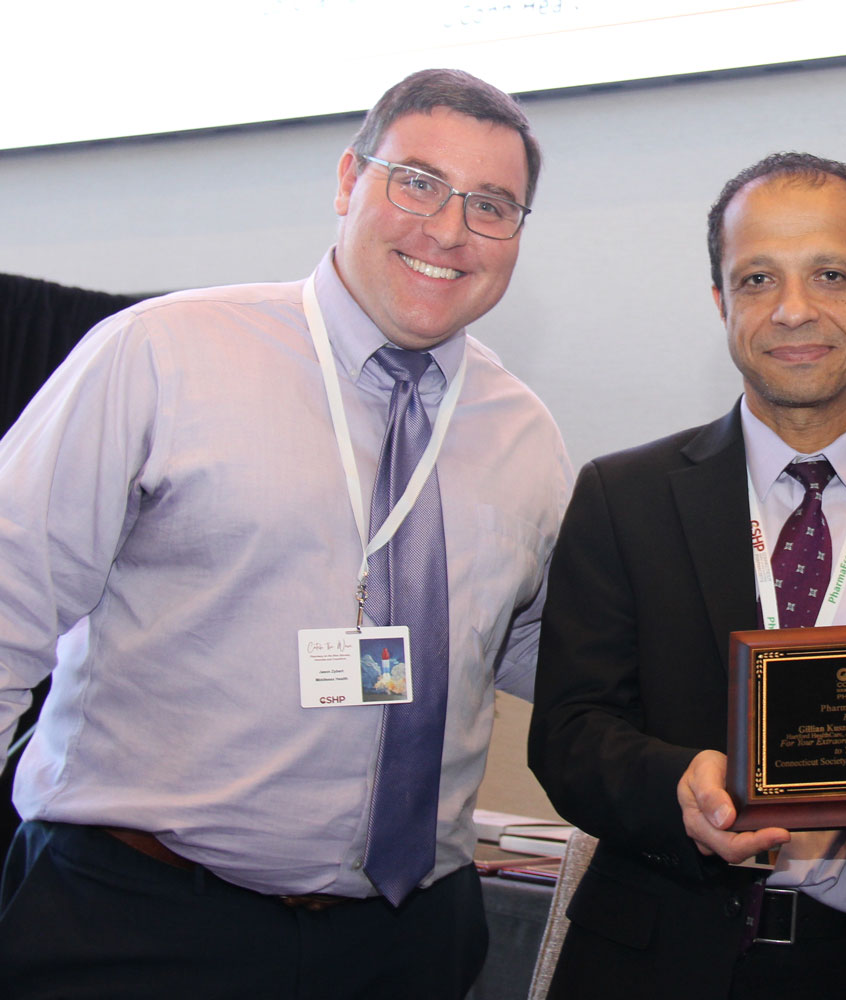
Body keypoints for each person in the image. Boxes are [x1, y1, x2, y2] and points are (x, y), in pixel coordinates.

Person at [0, 69, 570, 999]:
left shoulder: (525, 434)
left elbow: (542, 650)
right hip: (138, 922)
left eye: (493, 205)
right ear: (348, 181)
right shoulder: (162, 356)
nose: (449, 229)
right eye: (417, 182)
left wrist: (748, 694)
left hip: (408, 944)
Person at [527, 152, 846, 1000]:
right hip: (657, 961)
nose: (794, 311)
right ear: (721, 302)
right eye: (757, 279)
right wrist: (679, 791)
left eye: (830, 274)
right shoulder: (621, 496)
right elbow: (568, 733)